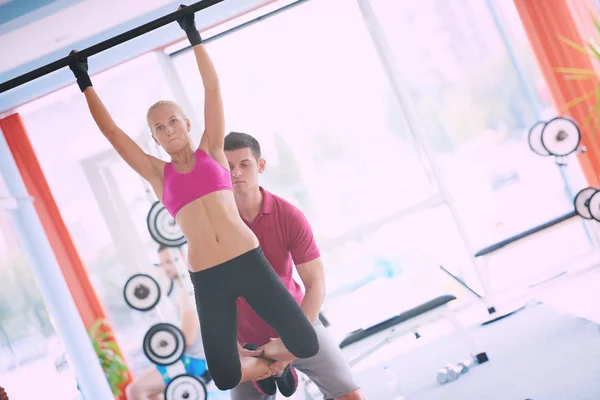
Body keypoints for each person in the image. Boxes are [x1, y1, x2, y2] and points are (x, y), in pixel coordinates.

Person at [68, 5, 318, 391]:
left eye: (172, 122)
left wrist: (192, 33)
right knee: (224, 375)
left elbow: (212, 89)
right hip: (208, 276)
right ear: (154, 138)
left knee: (306, 341)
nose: (167, 131)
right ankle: (268, 366)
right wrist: (84, 79)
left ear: (187, 124)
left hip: (248, 261)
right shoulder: (157, 173)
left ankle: (276, 360)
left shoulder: (214, 151)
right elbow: (113, 134)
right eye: (158, 128)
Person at [224, 132, 366, 400]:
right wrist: (233, 347)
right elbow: (212, 297)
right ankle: (273, 370)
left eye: (244, 164)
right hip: (245, 341)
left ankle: (283, 368)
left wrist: (293, 342)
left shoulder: (288, 216)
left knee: (351, 396)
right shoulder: (216, 226)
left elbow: (316, 284)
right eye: (229, 166)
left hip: (296, 323)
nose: (236, 173)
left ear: (260, 166)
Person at [126, 246, 210, 399]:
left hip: (194, 362)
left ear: (182, 258)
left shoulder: (188, 290)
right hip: (189, 359)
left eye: (169, 261)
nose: (165, 268)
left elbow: (187, 340)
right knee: (152, 395)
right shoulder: (181, 291)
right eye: (162, 263)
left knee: (135, 391)